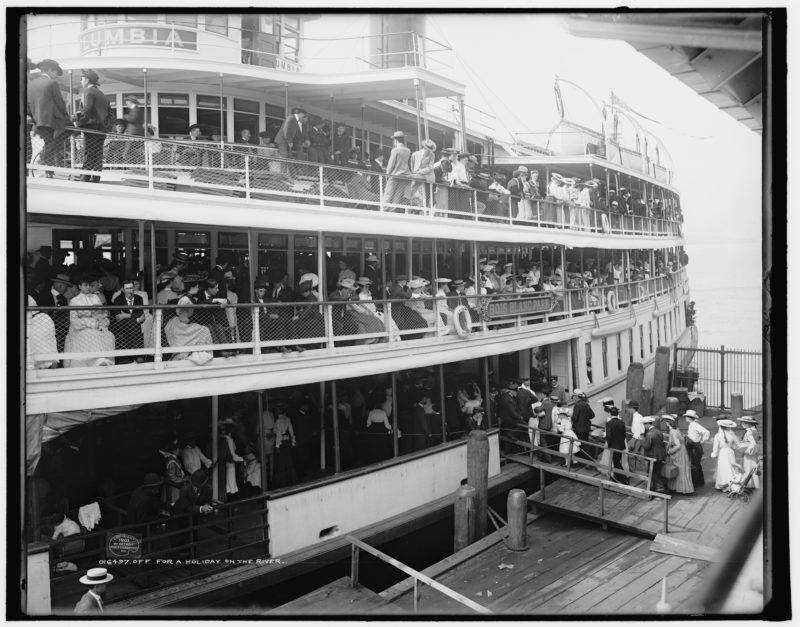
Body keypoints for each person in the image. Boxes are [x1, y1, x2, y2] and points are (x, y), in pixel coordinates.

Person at [27, 58, 68, 175]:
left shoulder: (31, 83)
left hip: (37, 121)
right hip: (52, 121)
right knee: (68, 131)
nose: (56, 75)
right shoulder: (52, 83)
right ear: (50, 70)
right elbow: (60, 103)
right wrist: (66, 118)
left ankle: (48, 170)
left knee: (49, 142)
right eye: (55, 72)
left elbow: (29, 104)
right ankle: (43, 157)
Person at [64, 273, 115, 367]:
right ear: (80, 286)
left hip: (97, 325)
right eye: (85, 285)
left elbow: (102, 314)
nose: (88, 287)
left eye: (90, 285)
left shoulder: (95, 297)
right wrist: (91, 322)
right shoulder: (74, 301)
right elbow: (74, 321)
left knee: (109, 335)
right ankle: (96, 361)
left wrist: (101, 323)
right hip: (80, 328)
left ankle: (104, 360)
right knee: (90, 334)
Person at [74, 69, 109, 183]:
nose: (81, 81)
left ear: (87, 80)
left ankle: (84, 179)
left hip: (91, 128)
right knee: (98, 155)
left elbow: (86, 110)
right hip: (101, 130)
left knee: (88, 153)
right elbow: (110, 113)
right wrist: (106, 126)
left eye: (82, 79)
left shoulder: (88, 92)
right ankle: (95, 179)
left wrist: (78, 123)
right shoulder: (103, 95)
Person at [110, 279, 145, 363]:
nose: (130, 290)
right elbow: (118, 317)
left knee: (135, 327)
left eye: (131, 288)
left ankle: (137, 355)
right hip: (122, 327)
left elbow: (142, 316)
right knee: (133, 325)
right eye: (127, 288)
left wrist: (126, 315)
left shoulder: (139, 298)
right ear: (123, 289)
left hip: (134, 328)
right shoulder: (118, 300)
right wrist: (136, 319)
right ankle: (131, 356)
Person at [662, 415, 693, 494]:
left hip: (679, 452)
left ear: (668, 423)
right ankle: (679, 487)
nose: (665, 424)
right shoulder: (677, 430)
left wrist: (670, 451)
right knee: (682, 469)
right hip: (683, 450)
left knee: (679, 469)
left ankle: (680, 488)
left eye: (666, 422)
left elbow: (678, 445)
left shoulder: (673, 432)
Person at [383, 131, 412, 210]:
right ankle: (392, 213)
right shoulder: (408, 150)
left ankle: (384, 211)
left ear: (395, 140)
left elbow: (391, 164)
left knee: (388, 195)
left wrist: (387, 175)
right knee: (397, 197)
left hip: (395, 175)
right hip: (405, 176)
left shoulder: (395, 150)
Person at [711, 417, 742, 491]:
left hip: (722, 453)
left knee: (722, 468)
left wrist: (714, 454)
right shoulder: (732, 435)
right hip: (730, 452)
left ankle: (722, 483)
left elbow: (715, 448)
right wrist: (732, 447)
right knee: (731, 467)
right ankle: (732, 484)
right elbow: (736, 445)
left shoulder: (718, 435)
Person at [272, 405, 298, 488]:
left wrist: (277, 446)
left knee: (280, 464)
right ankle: (291, 481)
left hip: (281, 443)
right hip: (287, 442)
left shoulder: (278, 420)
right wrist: (293, 442)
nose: (275, 411)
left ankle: (281, 483)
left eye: (276, 409)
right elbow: (291, 432)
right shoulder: (287, 419)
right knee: (288, 461)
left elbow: (279, 434)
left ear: (279, 410)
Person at [641, 416, 668, 493]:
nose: (644, 427)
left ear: (647, 424)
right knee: (658, 472)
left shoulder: (649, 434)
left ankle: (659, 488)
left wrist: (642, 438)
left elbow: (646, 446)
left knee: (652, 472)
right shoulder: (659, 431)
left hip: (653, 456)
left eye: (644, 425)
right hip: (661, 455)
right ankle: (659, 486)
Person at [683, 409, 710, 487]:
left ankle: (695, 483)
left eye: (686, 417)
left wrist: (703, 441)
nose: (685, 418)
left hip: (695, 446)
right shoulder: (692, 425)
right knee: (696, 464)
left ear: (689, 418)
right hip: (693, 445)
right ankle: (699, 481)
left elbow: (706, 432)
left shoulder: (694, 425)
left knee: (694, 464)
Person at [409, 138, 437, 210]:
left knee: (427, 192)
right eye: (428, 149)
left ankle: (426, 207)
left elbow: (430, 167)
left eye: (430, 150)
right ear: (424, 148)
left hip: (427, 176)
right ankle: (407, 203)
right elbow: (411, 164)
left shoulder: (432, 155)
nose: (429, 151)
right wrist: (415, 172)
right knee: (412, 189)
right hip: (417, 175)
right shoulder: (415, 154)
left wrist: (421, 171)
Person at [604, 406, 629, 484]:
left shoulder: (609, 423)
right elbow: (624, 435)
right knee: (617, 460)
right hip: (621, 445)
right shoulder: (622, 422)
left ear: (611, 414)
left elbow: (609, 436)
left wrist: (609, 445)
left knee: (616, 462)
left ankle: (624, 478)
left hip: (613, 445)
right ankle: (616, 475)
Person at [570, 388, 595, 457]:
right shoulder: (586, 404)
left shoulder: (577, 405)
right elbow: (592, 415)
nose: (573, 398)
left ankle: (589, 461)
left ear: (577, 397)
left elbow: (575, 418)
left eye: (574, 397)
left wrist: (570, 417)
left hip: (579, 429)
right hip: (586, 428)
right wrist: (585, 418)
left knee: (582, 445)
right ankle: (587, 459)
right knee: (585, 443)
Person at [738, 416, 760, 489]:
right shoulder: (754, 430)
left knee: (748, 468)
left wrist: (747, 450)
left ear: (748, 423)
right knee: (754, 467)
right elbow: (757, 439)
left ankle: (747, 485)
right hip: (754, 453)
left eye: (743, 423)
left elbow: (753, 443)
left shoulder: (749, 431)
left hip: (750, 453)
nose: (742, 424)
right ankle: (755, 485)